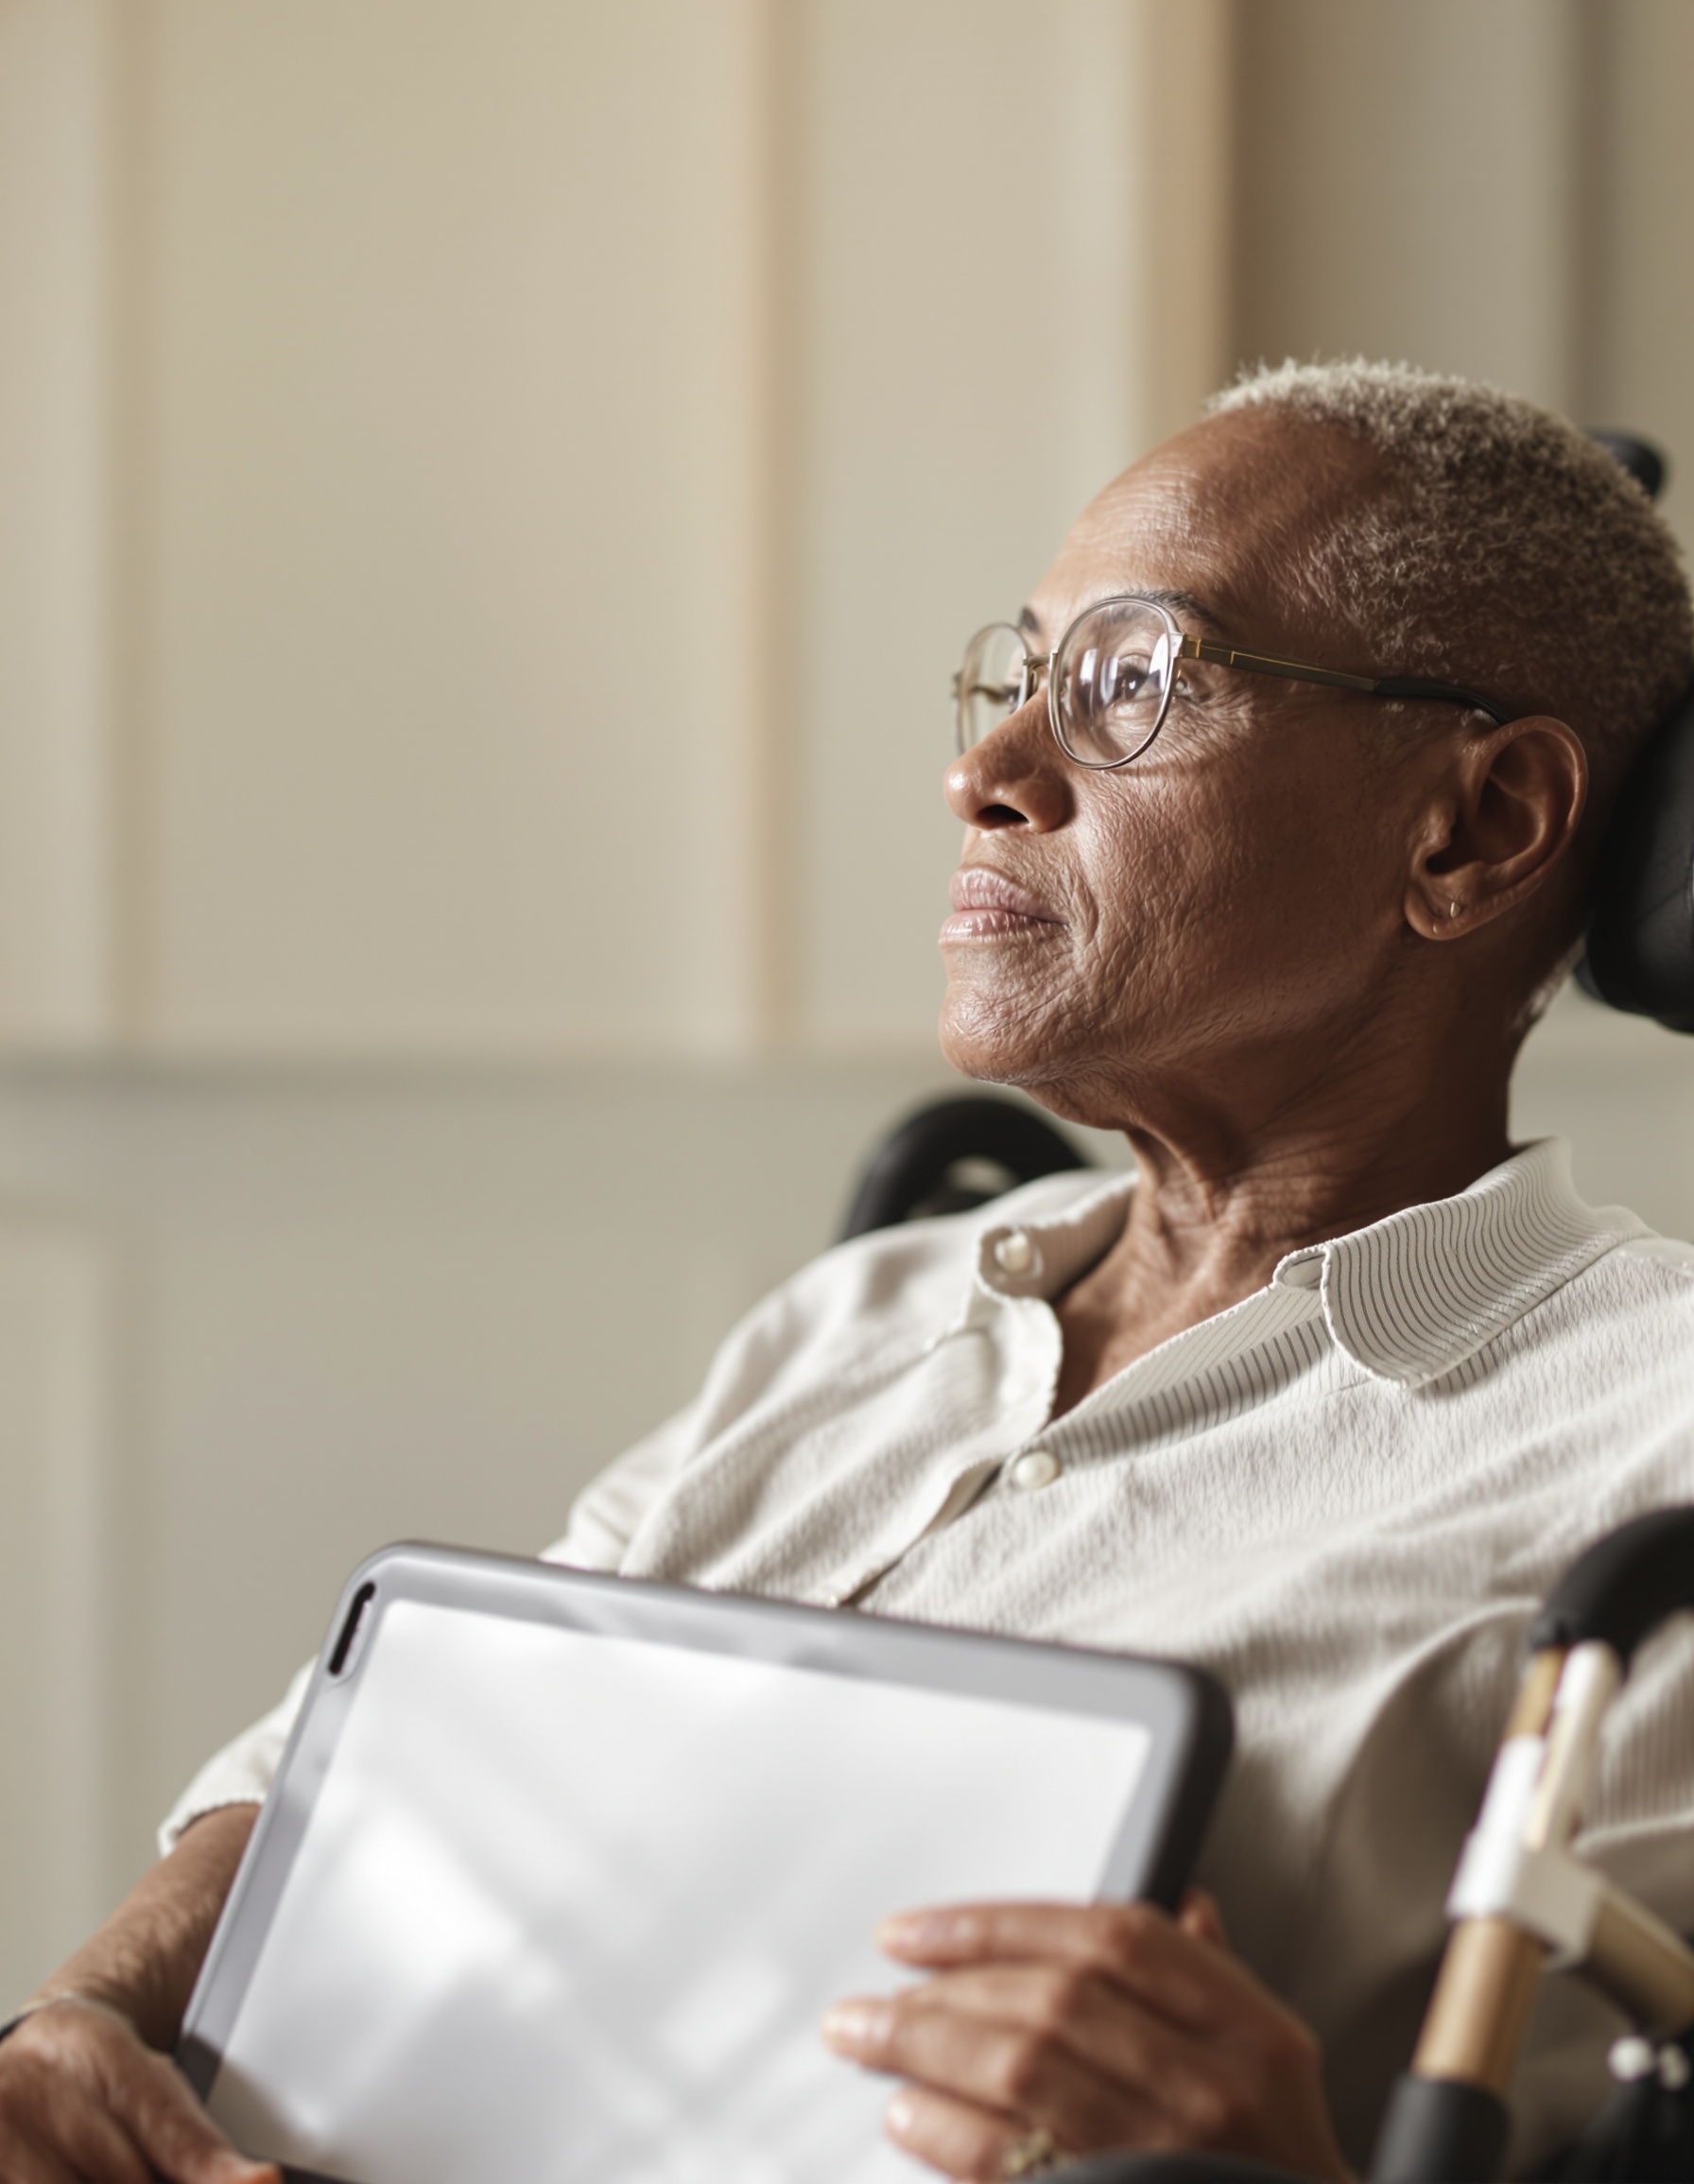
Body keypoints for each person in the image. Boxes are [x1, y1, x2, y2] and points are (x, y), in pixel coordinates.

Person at [4, 358, 1693, 2184]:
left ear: (1478, 828)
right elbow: (356, 1758)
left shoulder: (1647, 1449)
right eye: (1016, 677)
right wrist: (81, 2028)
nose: (982, 773)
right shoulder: (877, 1310)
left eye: (1134, 682)